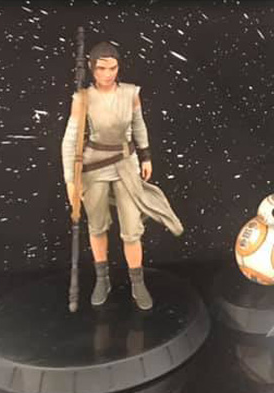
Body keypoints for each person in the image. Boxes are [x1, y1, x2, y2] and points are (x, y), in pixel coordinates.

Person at [61, 41, 184, 310]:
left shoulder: (130, 93)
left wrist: (146, 155)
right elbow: (70, 140)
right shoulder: (82, 98)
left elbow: (139, 125)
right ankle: (102, 278)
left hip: (126, 163)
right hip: (94, 166)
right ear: (92, 68)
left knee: (131, 229)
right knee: (97, 226)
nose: (107, 74)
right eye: (101, 68)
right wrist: (71, 179)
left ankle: (137, 282)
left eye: (113, 68)